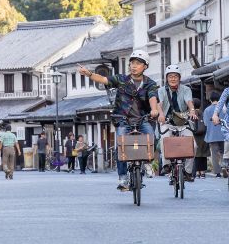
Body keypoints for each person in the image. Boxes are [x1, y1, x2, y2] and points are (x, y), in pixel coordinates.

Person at [78, 49, 164, 191]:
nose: (134, 66)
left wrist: (154, 110)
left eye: (138, 63)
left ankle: (147, 162)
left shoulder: (150, 83)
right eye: (132, 63)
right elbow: (104, 80)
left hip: (143, 119)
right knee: (121, 145)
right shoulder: (122, 80)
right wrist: (89, 74)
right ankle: (123, 177)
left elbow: (153, 97)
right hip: (122, 119)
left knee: (151, 137)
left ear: (145, 66)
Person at [157, 64, 197, 182]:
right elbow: (159, 104)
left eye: (175, 76)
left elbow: (189, 102)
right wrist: (161, 114)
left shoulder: (186, 89)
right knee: (164, 139)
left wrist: (192, 111)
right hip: (167, 121)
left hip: (183, 121)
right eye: (170, 76)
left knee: (193, 145)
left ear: (179, 78)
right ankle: (166, 165)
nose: (173, 79)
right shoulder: (161, 90)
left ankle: (188, 172)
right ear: (167, 78)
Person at [203, 91, 225, 178]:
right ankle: (225, 167)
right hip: (223, 133)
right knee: (224, 152)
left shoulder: (207, 110)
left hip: (212, 134)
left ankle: (217, 172)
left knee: (214, 154)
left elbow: (205, 123)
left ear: (210, 100)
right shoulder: (223, 109)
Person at [192, 98, 209, 178]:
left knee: (196, 154)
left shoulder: (192, 113)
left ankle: (197, 172)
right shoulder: (203, 112)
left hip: (195, 136)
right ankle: (202, 172)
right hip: (204, 136)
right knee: (203, 155)